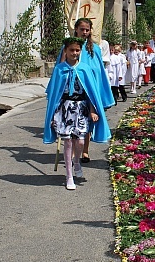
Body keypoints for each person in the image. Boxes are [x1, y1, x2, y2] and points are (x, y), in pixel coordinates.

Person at [44, 37, 111, 190]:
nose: (74, 53)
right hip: (64, 109)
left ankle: (77, 162)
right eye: (71, 50)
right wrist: (52, 116)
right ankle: (69, 176)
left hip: (81, 109)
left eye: (77, 50)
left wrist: (93, 110)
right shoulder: (59, 69)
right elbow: (54, 94)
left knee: (80, 141)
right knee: (67, 142)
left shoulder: (85, 68)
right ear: (65, 51)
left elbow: (90, 92)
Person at [58, 18, 115, 163]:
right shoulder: (68, 46)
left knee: (87, 121)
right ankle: (71, 152)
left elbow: (98, 70)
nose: (84, 32)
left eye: (87, 30)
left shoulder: (94, 48)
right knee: (69, 121)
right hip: (72, 88)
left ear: (90, 31)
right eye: (82, 29)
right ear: (76, 29)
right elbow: (60, 67)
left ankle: (85, 151)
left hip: (89, 88)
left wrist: (96, 85)